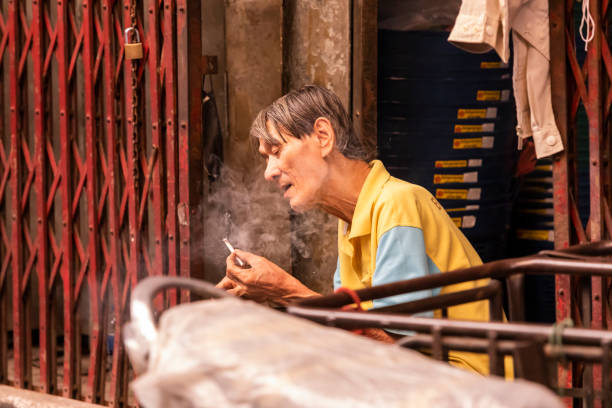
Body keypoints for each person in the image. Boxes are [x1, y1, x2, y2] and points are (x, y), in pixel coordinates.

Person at [217, 85, 492, 374]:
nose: (269, 172)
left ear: (323, 137)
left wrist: (286, 291)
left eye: (277, 151)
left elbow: (397, 352)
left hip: (473, 386)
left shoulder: (396, 204)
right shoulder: (350, 221)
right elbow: (358, 334)